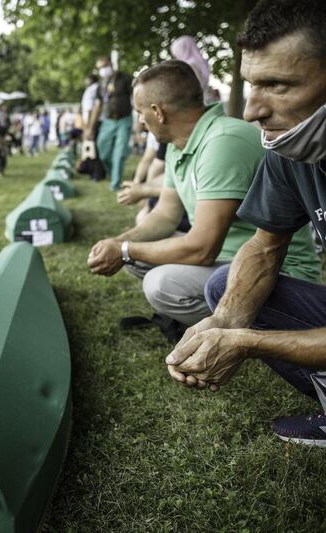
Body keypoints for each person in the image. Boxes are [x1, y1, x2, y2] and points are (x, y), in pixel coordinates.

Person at [165, 0, 326, 446]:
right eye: (252, 84)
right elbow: (264, 246)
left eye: (278, 85)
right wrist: (224, 322)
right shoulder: (291, 150)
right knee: (225, 290)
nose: (253, 109)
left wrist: (248, 342)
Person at [86, 60, 320, 334]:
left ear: (157, 112)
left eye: (139, 113)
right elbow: (164, 215)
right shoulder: (178, 144)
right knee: (135, 260)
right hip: (225, 259)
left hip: (277, 270)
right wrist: (118, 244)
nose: (139, 121)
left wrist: (125, 250)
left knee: (160, 284)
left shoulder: (222, 142)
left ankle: (257, 328)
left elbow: (202, 248)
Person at [84, 55, 133, 190]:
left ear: (111, 64)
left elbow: (134, 97)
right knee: (103, 151)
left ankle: (115, 183)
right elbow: (97, 106)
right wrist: (90, 127)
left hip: (124, 119)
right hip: (108, 122)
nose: (102, 70)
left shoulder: (124, 78)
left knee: (119, 151)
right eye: (100, 68)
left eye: (104, 66)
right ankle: (114, 172)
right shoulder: (101, 85)